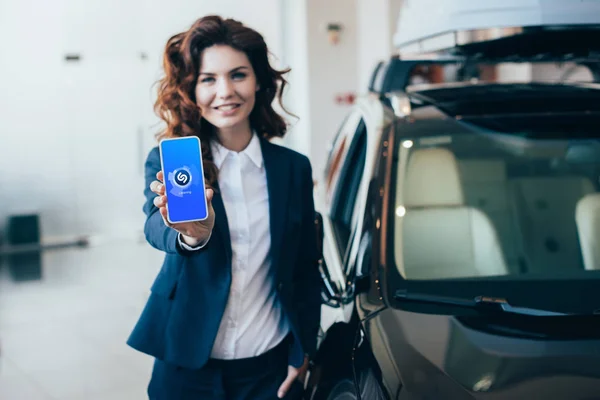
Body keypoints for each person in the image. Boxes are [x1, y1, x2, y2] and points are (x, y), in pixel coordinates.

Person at [127, 15, 322, 400]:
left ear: (259, 81)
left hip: (269, 364)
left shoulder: (292, 168)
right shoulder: (177, 161)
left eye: (238, 75)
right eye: (208, 79)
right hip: (187, 364)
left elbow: (304, 266)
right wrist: (190, 236)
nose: (225, 91)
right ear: (190, 90)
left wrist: (304, 352)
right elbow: (155, 225)